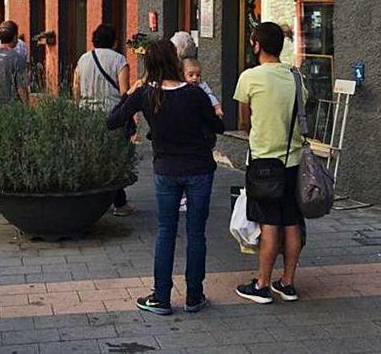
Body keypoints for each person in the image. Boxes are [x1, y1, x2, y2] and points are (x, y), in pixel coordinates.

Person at [107, 39, 225, 316]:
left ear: (150, 64)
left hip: (166, 171)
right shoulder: (194, 93)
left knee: (165, 233)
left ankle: (161, 297)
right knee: (196, 234)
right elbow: (217, 126)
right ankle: (194, 296)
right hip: (199, 169)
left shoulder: (146, 94)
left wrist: (131, 93)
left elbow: (112, 120)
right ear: (174, 61)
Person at [234, 21, 305, 305]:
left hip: (264, 161)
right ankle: (287, 283)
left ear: (257, 45)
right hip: (294, 160)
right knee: (292, 221)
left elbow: (243, 119)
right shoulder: (296, 76)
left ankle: (262, 284)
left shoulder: (250, 77)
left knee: (269, 223)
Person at [73, 24, 136, 217]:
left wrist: (78, 107)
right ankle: (120, 203)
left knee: (92, 156)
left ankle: (93, 198)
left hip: (87, 113)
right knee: (114, 159)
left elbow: (75, 87)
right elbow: (124, 92)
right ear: (114, 41)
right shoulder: (119, 60)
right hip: (112, 115)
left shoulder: (83, 59)